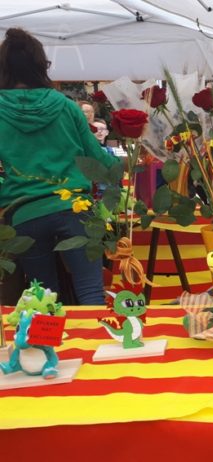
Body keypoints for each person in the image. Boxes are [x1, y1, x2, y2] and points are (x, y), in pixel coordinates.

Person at [0, 28, 120, 305]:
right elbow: (96, 161)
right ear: (41, 65)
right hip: (74, 208)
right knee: (91, 292)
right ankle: (95, 345)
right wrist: (122, 167)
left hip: (24, 212)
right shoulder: (66, 106)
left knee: (45, 297)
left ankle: (53, 347)